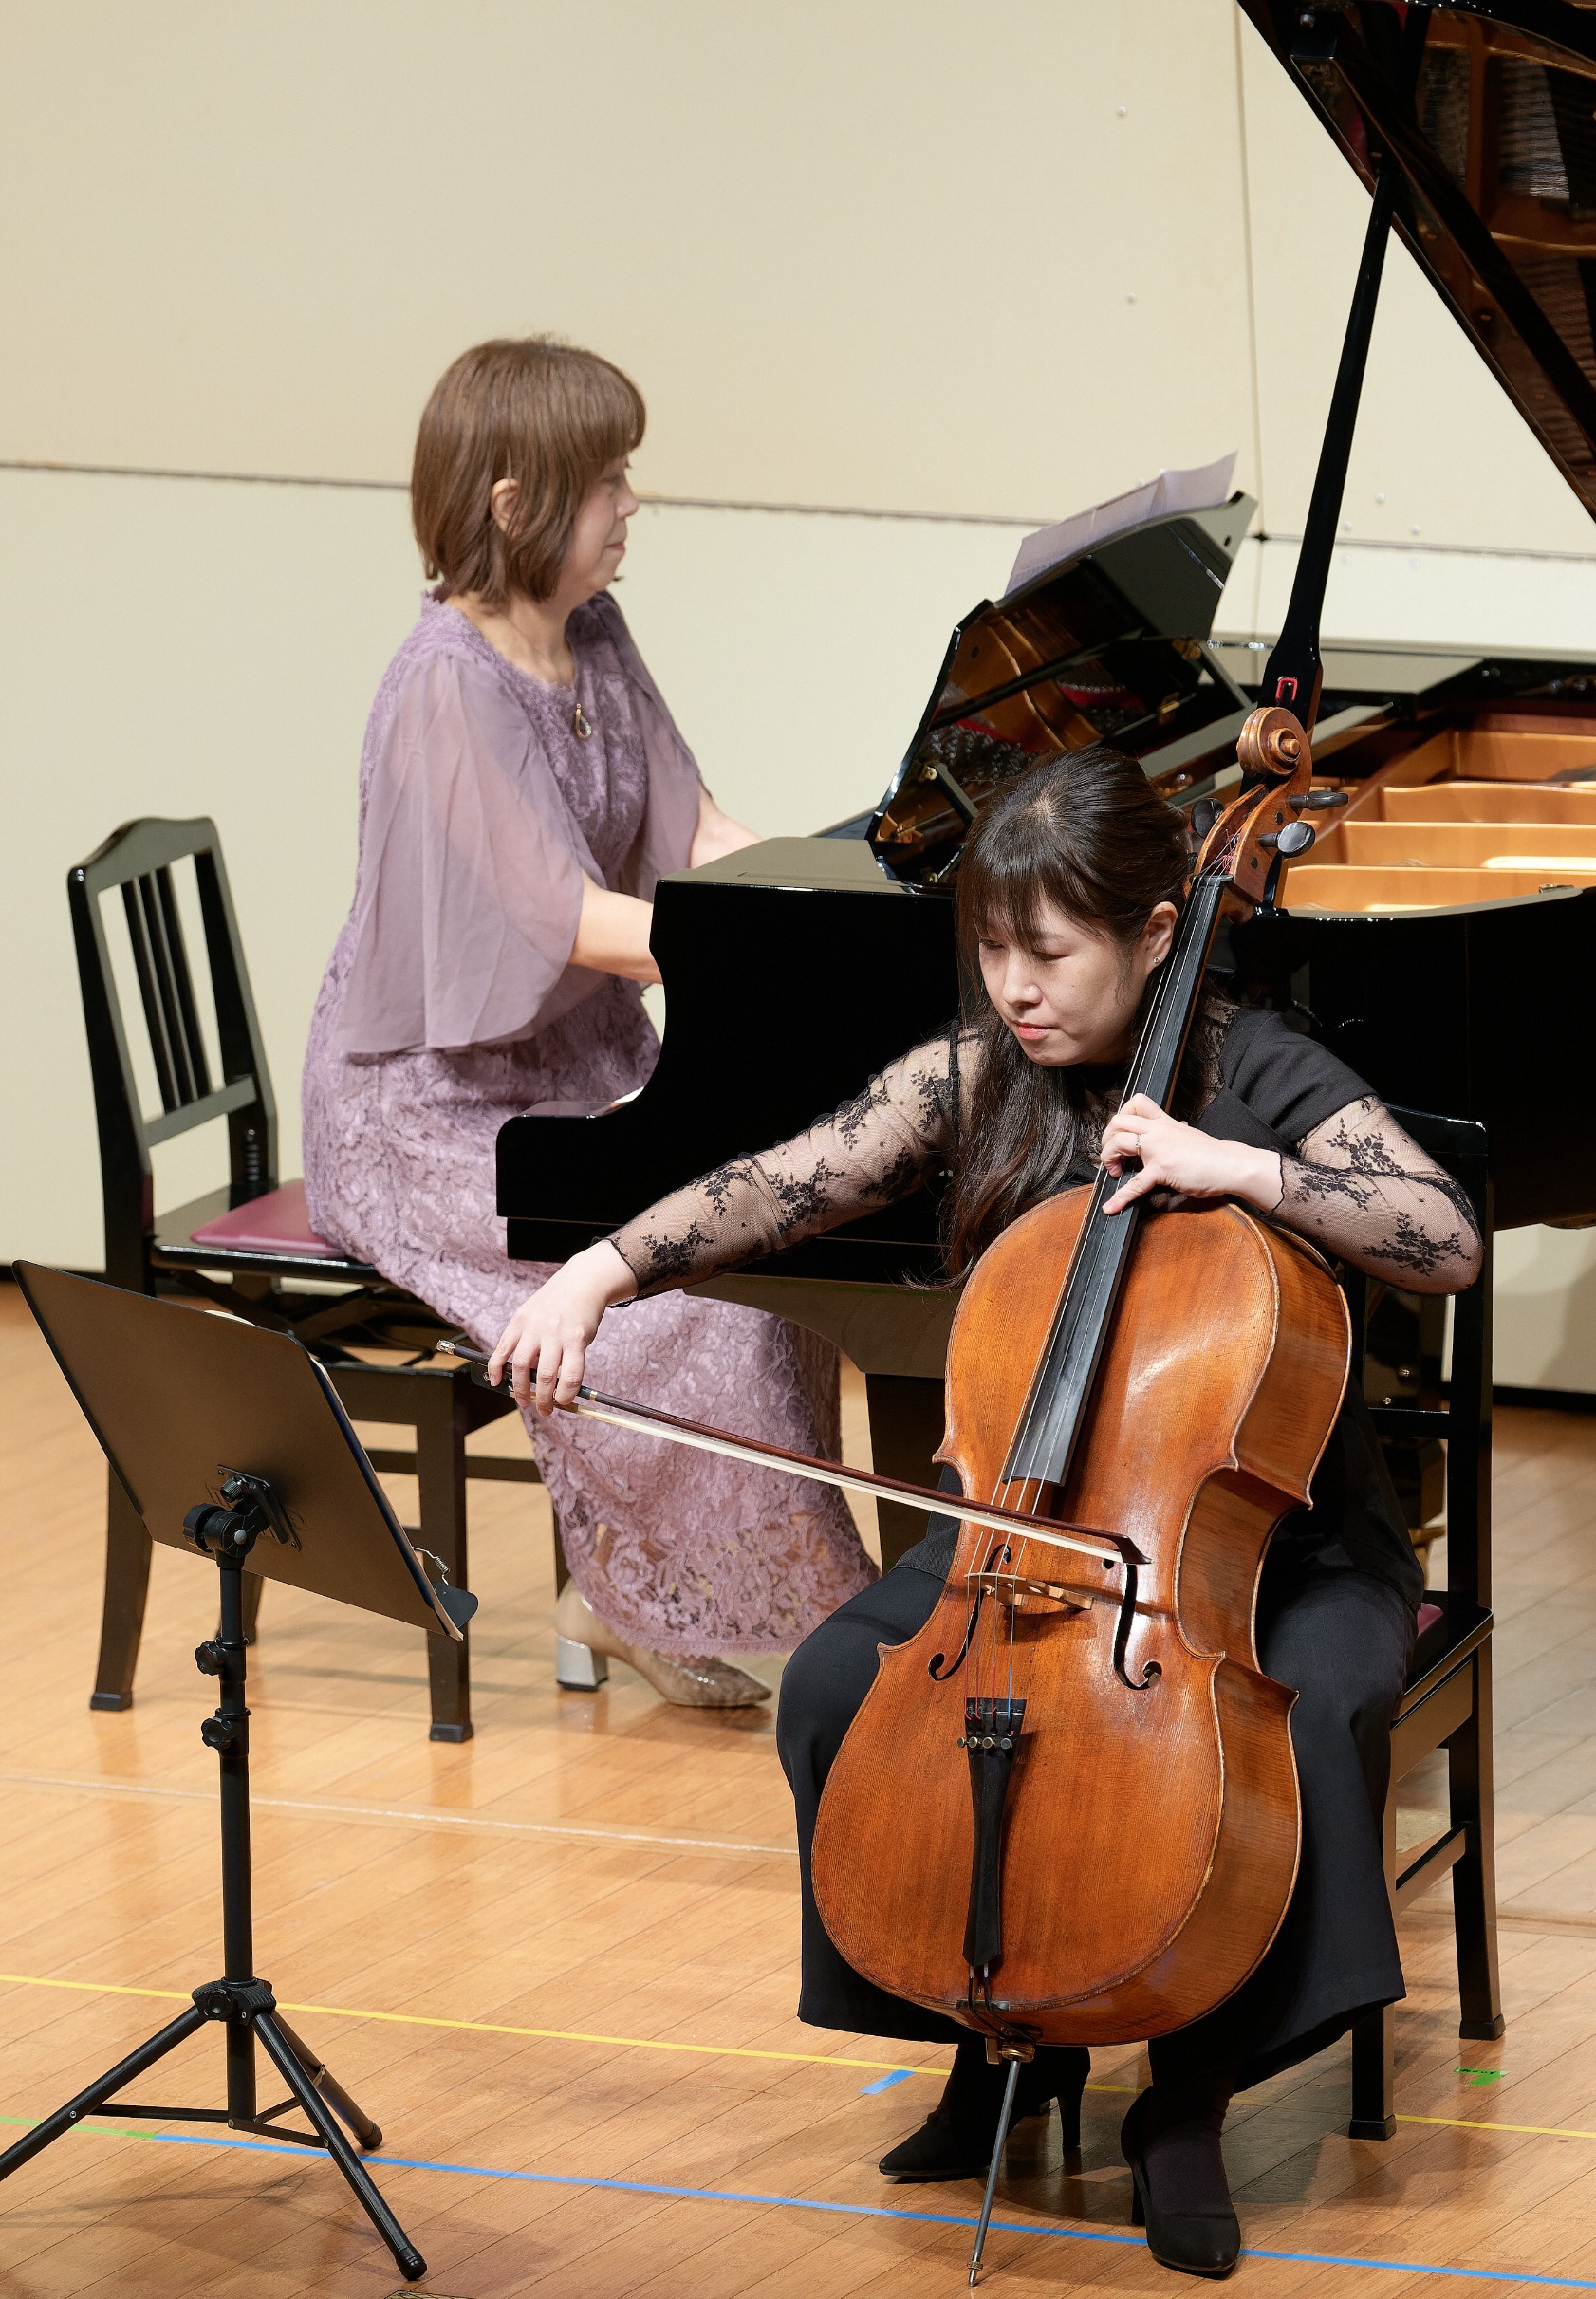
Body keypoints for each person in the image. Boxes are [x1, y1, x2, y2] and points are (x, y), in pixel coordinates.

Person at [487, 745, 1483, 2277]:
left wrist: (1243, 1170)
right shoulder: (982, 1072)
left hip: (1268, 1547)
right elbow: (789, 1180)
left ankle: (1188, 2097)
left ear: (1154, 934)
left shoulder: (1265, 1070)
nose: (1014, 989)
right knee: (838, 1681)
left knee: (1312, 1714)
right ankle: (991, 2030)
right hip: (1029, 1531)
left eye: (1049, 954)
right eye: (994, 951)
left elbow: (1442, 1236)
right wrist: (598, 1272)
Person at [303, 337, 875, 1709]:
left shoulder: (594, 630)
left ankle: (636, 1590)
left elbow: (697, 830)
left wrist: (848, 896)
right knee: (690, 1302)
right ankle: (673, 1602)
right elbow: (565, 919)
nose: (631, 504)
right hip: (430, 1114)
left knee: (769, 1240)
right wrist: (783, 953)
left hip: (578, 1062)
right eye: (608, 480)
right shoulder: (446, 681)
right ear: (515, 504)